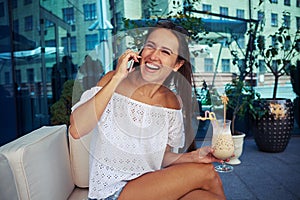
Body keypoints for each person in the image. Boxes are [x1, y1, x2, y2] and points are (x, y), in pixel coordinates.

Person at [69, 19, 226, 200]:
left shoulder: (171, 102)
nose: (154, 55)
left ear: (176, 65)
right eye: (150, 46)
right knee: (206, 173)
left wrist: (194, 156)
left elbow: (162, 157)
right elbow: (76, 129)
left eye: (165, 52)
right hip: (111, 193)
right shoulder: (113, 81)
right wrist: (118, 77)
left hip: (150, 188)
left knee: (205, 197)